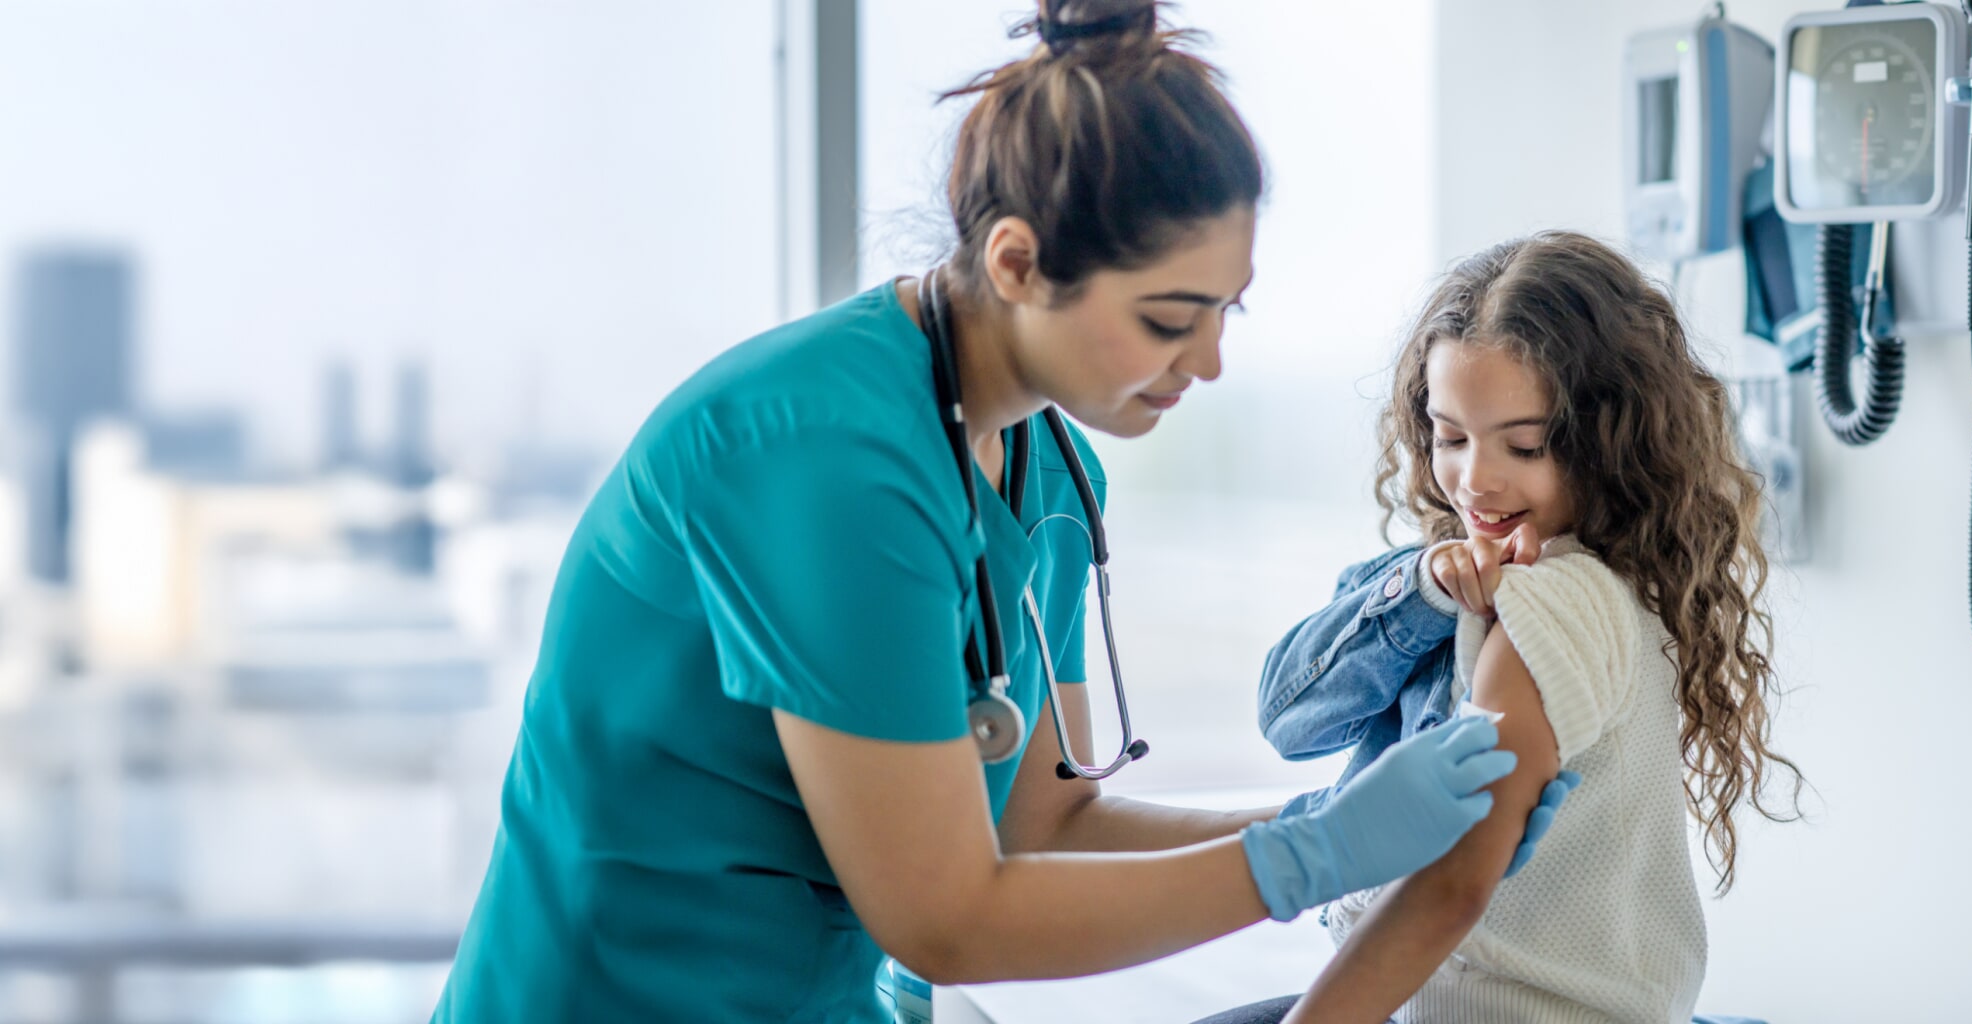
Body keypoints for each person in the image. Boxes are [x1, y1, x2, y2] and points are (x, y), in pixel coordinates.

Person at [430, 5, 1575, 1021]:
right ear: (1017, 262)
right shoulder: (821, 459)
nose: (1210, 362)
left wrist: (1336, 813)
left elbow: (1044, 824)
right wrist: (1312, 856)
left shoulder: (1048, 466)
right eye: (1170, 317)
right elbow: (948, 917)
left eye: (1227, 310)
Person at [1207, 232, 1803, 1024]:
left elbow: (1453, 882)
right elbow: (1289, 720)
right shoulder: (1452, 581)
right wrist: (1421, 592)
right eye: (1450, 437)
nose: (1474, 480)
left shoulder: (1556, 601)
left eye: (1524, 445)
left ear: (1611, 441)